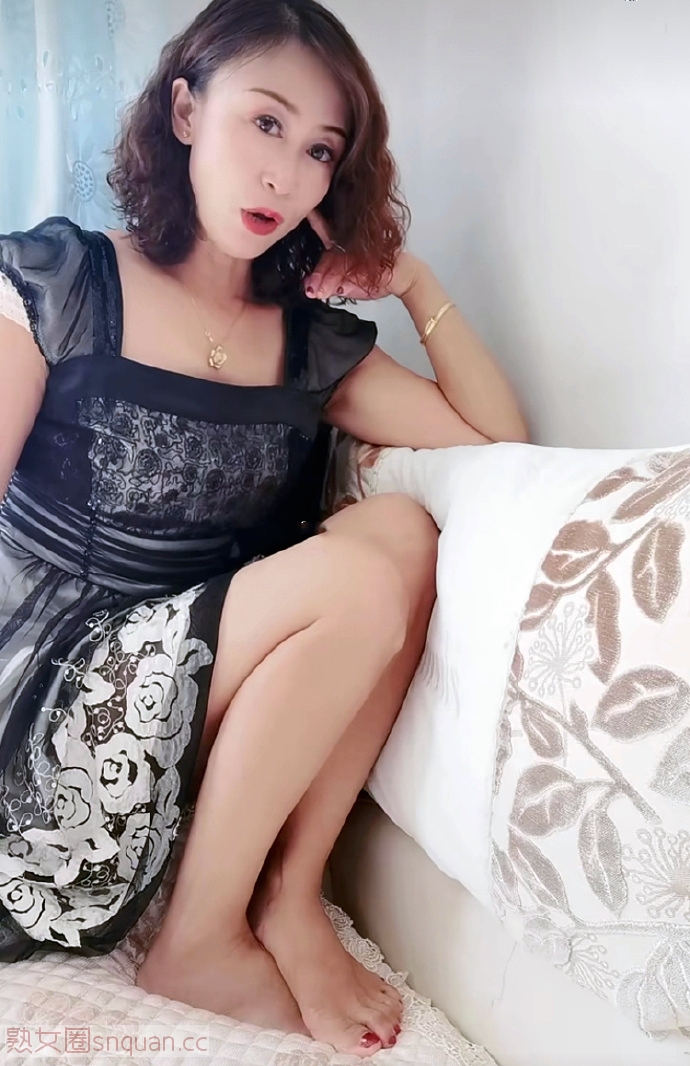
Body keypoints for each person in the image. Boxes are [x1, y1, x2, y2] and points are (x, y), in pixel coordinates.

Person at [0, 0, 528, 1057]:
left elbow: (498, 443)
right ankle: (198, 939)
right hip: (46, 727)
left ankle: (284, 895)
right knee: (366, 566)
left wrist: (414, 283)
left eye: (320, 149)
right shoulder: (60, 282)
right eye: (267, 122)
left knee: (404, 537)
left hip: (199, 728)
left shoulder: (308, 346)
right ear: (186, 112)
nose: (286, 174)